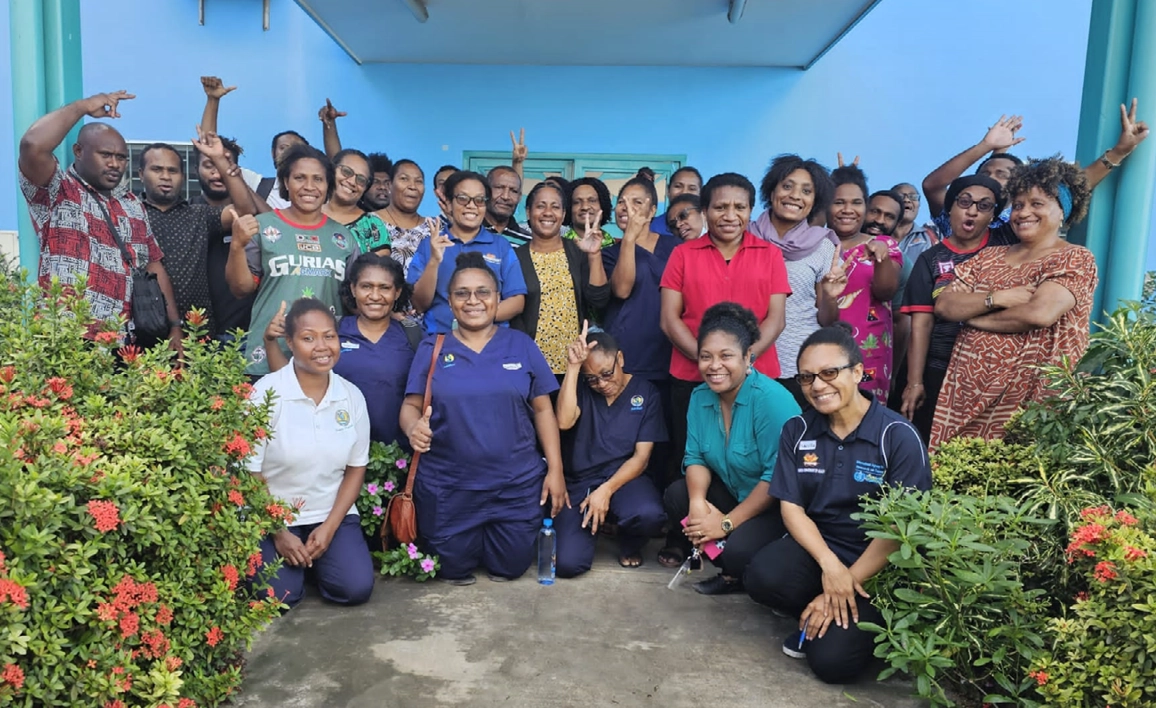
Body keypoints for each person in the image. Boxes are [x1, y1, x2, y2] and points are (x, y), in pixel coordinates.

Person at [744, 322, 931, 685]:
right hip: (821, 551)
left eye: (830, 372)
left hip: (878, 563)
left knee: (831, 664)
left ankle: (832, 616)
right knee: (763, 575)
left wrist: (846, 581)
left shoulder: (897, 436)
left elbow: (899, 530)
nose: (817, 385)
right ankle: (817, 608)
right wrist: (830, 567)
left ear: (858, 371)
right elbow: (791, 507)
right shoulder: (797, 430)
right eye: (807, 377)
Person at [401, 252, 567, 584]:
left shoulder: (520, 345)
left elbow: (543, 408)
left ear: (497, 299)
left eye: (483, 292)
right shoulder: (433, 347)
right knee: (452, 570)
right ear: (450, 302)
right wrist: (412, 428)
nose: (473, 300)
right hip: (450, 487)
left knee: (509, 568)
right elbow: (410, 406)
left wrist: (556, 469)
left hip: (515, 486)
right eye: (462, 293)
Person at [930, 158, 1099, 448]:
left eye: (1037, 204)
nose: (1023, 212)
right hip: (965, 400)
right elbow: (945, 306)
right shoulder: (988, 257)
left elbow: (1038, 313)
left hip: (1034, 406)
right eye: (1018, 205)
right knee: (953, 480)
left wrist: (972, 317)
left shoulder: (1074, 258)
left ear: (1063, 211)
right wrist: (997, 298)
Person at [17, 90, 182, 348]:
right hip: (70, 337)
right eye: (106, 155)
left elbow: (153, 265)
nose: (115, 164)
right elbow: (32, 145)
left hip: (127, 342)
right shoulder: (57, 190)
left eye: (121, 157)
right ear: (79, 151)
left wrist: (174, 327)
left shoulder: (132, 204)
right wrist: (82, 106)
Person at [660, 303, 801, 592]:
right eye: (706, 357)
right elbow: (696, 456)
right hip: (736, 493)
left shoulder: (772, 400)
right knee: (679, 496)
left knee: (738, 551)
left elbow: (775, 478)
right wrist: (698, 503)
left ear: (749, 357)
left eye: (726, 356)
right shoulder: (700, 397)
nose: (714, 366)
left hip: (778, 507)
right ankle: (730, 567)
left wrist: (724, 525)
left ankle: (742, 565)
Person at [661, 172, 792, 476]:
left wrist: (742, 364)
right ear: (705, 212)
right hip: (692, 375)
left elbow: (776, 319)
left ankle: (750, 521)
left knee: (759, 460)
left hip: (757, 375)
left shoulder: (770, 254)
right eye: (720, 208)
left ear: (750, 211)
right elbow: (669, 320)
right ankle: (693, 518)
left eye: (740, 207)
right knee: (692, 458)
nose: (730, 216)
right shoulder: (682, 255)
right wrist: (710, 362)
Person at [248, 298, 375, 607]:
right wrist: (278, 532)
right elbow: (248, 471)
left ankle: (322, 560)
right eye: (308, 338)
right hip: (274, 517)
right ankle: (297, 565)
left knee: (354, 589)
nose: (322, 346)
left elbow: (356, 468)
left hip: (328, 513)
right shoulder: (265, 394)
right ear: (289, 342)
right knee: (277, 598)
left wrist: (330, 528)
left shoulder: (350, 396)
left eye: (329, 336)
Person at [225, 144, 359, 377]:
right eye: (299, 178)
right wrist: (237, 245)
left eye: (318, 179)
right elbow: (241, 289)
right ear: (286, 182)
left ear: (328, 185)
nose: (309, 187)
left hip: (322, 357)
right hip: (267, 353)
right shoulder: (262, 226)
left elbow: (355, 299)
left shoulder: (343, 238)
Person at [263, 253, 419, 446]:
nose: (375, 295)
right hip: (334, 453)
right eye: (366, 286)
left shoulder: (413, 336)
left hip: (395, 457)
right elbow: (291, 380)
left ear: (397, 292)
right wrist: (270, 340)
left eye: (384, 288)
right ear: (353, 289)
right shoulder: (333, 331)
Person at [897, 176, 1005, 443]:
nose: (972, 211)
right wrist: (915, 383)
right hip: (939, 368)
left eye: (984, 206)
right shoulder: (930, 259)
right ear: (950, 208)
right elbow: (921, 324)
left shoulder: (1005, 249)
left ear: (993, 215)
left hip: (992, 371)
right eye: (965, 202)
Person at [554, 327, 667, 574]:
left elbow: (641, 458)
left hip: (625, 479)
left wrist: (605, 490)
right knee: (567, 564)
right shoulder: (580, 389)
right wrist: (573, 368)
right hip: (581, 481)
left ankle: (629, 541)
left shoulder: (646, 393)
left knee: (648, 515)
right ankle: (592, 528)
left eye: (607, 373)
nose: (602, 384)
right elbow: (563, 422)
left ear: (621, 359)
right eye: (593, 379)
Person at [139, 132, 255, 334]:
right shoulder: (127, 214)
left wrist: (221, 161)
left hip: (198, 332)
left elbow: (244, 210)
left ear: (183, 176)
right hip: (144, 329)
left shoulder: (199, 215)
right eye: (157, 169)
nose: (166, 176)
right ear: (141, 174)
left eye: (173, 171)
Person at [749, 154, 839, 405]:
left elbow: (827, 319)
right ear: (771, 190)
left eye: (806, 191)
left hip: (800, 362)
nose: (795, 196)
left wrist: (830, 297)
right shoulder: (744, 236)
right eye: (787, 186)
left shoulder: (823, 246)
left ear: (815, 200)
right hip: (747, 358)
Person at [408, 170, 527, 334]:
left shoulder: (501, 245)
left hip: (491, 343)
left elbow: (517, 301)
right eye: (463, 198)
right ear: (449, 204)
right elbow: (419, 304)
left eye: (479, 200)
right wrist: (434, 261)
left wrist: (474, 318)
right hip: (441, 341)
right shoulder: (430, 245)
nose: (471, 206)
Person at [510, 182, 609, 374]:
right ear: (528, 213)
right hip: (530, 366)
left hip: (574, 364)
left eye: (555, 207)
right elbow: (515, 315)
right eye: (541, 206)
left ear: (563, 215)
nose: (548, 212)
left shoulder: (577, 251)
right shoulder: (515, 257)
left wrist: (594, 254)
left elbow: (599, 300)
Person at [824, 166, 902, 404]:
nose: (848, 210)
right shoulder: (814, 244)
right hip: (822, 347)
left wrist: (882, 258)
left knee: (866, 421)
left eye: (856, 202)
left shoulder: (883, 244)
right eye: (839, 202)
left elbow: (886, 291)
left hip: (869, 353)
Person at [323, 148, 392, 255]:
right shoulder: (309, 213)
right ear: (332, 170)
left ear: (365, 188)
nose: (352, 182)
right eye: (346, 172)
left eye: (361, 179)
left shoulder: (372, 225)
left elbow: (377, 270)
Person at [376, 159, 432, 277]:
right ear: (389, 185)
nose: (413, 186)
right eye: (404, 179)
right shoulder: (369, 223)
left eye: (419, 181)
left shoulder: (436, 227)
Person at [485, 166, 533, 247]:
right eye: (499, 187)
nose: (505, 196)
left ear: (519, 197)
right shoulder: (468, 232)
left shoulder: (527, 241)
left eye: (513, 191)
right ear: (485, 191)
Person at [563, 177, 616, 249]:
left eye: (592, 201)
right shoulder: (559, 244)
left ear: (603, 205)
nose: (585, 207)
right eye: (577, 202)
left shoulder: (616, 245)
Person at [650, 166, 703, 237]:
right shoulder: (653, 228)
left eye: (692, 189)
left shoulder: (712, 227)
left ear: (701, 193)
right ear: (668, 190)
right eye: (678, 186)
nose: (684, 192)